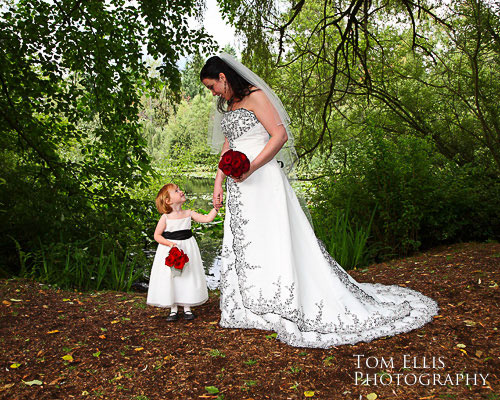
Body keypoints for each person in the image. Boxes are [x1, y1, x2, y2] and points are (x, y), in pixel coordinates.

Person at [200, 53, 439, 348]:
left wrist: (251, 167)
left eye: (212, 86)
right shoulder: (231, 105)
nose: (213, 93)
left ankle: (285, 300)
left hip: (263, 178)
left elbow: (279, 135)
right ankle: (254, 307)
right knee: (250, 240)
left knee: (277, 238)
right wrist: (219, 181)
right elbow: (229, 145)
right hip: (240, 185)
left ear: (223, 77)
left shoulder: (256, 96)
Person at [146, 183, 219, 321]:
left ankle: (187, 306)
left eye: (179, 189)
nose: (181, 191)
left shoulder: (188, 213)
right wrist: (170, 244)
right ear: (168, 201)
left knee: (187, 275)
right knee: (172, 276)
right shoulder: (165, 218)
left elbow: (207, 219)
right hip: (170, 250)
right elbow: (157, 235)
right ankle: (173, 308)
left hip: (188, 248)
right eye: (176, 191)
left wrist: (216, 208)